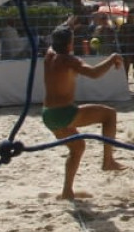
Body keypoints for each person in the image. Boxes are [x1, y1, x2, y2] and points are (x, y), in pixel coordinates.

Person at [41, 26, 126, 200]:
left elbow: (57, 37)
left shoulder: (49, 55)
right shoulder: (69, 60)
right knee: (109, 115)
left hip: (47, 114)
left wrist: (67, 24)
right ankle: (108, 161)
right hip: (63, 113)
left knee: (78, 147)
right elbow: (94, 73)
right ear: (70, 43)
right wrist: (112, 59)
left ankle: (67, 191)